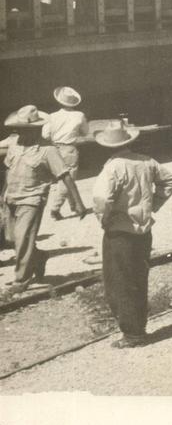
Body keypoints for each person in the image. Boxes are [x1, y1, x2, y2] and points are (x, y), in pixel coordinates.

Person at [92, 120, 172, 347]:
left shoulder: (112, 167)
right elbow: (169, 181)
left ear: (107, 146)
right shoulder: (146, 161)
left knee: (119, 282)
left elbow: (101, 201)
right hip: (144, 231)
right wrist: (154, 205)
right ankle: (139, 328)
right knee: (139, 279)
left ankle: (132, 334)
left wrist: (104, 220)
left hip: (120, 232)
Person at [3, 106, 87, 294]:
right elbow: (10, 172)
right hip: (10, 197)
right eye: (19, 129)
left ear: (36, 129)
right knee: (11, 238)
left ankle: (21, 280)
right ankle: (39, 256)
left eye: (25, 129)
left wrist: (78, 203)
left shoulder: (48, 150)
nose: (20, 132)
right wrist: (3, 196)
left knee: (22, 239)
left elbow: (65, 176)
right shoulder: (14, 144)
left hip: (32, 198)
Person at [41, 86, 90, 221]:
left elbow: (45, 134)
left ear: (59, 101)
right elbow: (85, 132)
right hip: (69, 149)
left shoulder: (52, 116)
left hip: (53, 149)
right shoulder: (79, 115)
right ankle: (55, 209)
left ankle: (73, 206)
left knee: (62, 178)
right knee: (68, 179)